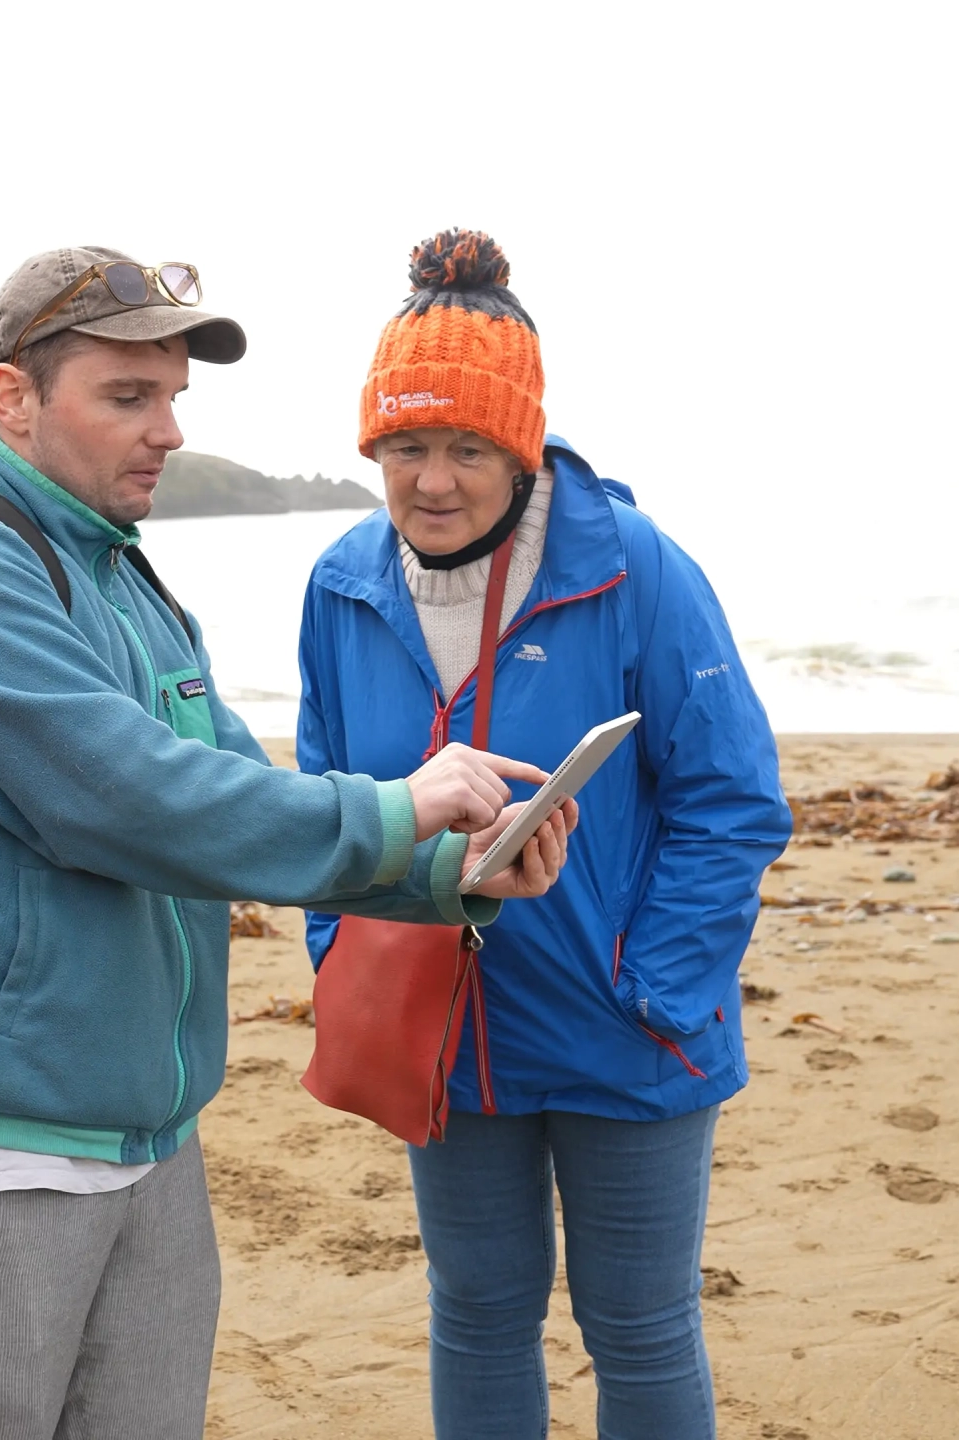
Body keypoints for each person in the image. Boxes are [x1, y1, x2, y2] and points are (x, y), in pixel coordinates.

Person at [0, 245, 577, 1440]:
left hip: (148, 1135)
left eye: (173, 396)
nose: (167, 430)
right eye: (129, 397)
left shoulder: (123, 575)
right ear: (13, 400)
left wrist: (456, 874)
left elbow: (232, 794)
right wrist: (402, 806)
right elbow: (131, 803)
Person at [294, 229, 791, 1439]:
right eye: (405, 446)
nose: (433, 481)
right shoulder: (341, 583)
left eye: (466, 447)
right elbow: (320, 802)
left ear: (521, 444)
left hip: (629, 1031)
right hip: (442, 1028)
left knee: (637, 1322)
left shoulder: (634, 567)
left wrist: (656, 986)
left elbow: (733, 798)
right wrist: (341, 961)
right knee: (476, 1308)